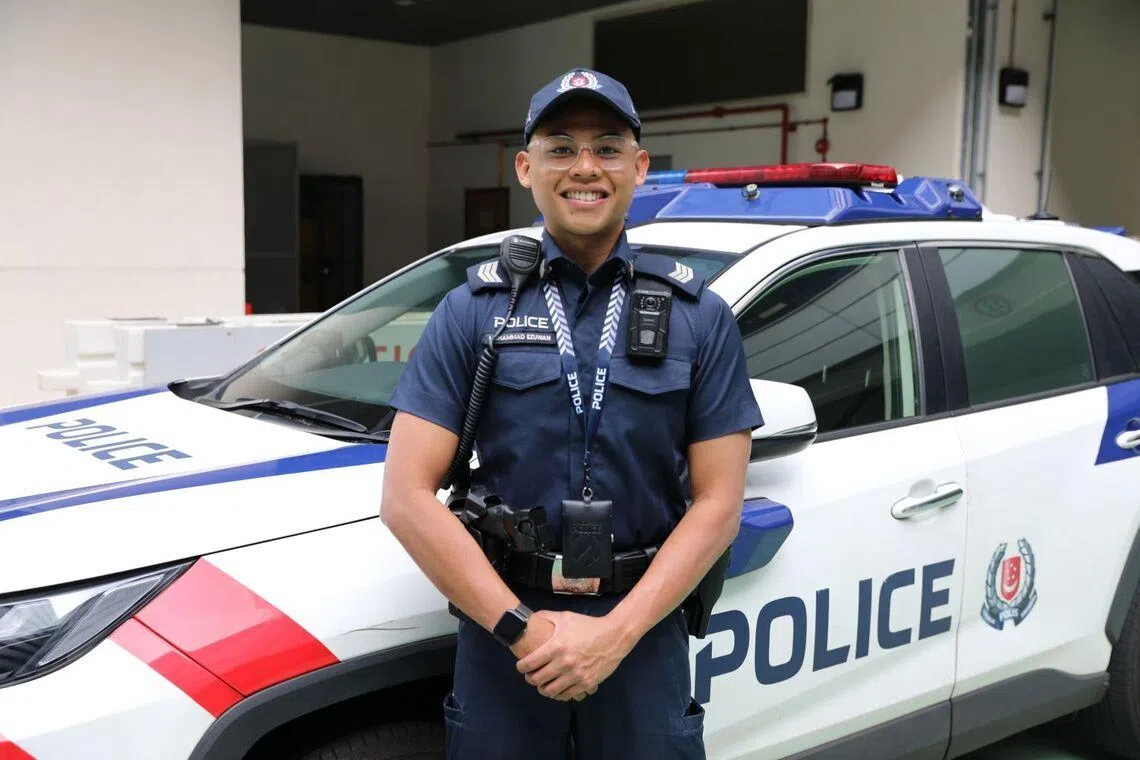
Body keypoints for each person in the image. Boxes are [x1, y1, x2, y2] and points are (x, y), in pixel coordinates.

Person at [380, 68, 763, 759]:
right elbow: (406, 497)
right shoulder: (473, 312)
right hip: (504, 631)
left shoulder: (699, 317)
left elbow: (720, 503)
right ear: (526, 168)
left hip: (642, 633)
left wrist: (615, 635)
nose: (585, 167)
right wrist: (523, 631)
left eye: (607, 147)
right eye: (561, 147)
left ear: (638, 168)